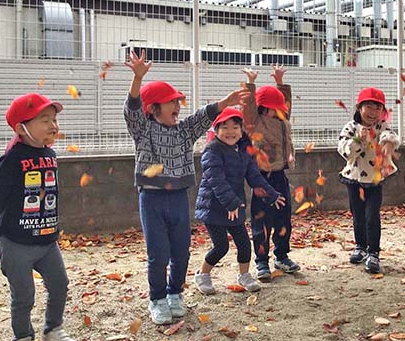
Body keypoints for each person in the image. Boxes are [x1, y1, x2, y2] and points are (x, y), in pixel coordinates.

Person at [124, 48, 249, 325]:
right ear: (153, 108)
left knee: (181, 250)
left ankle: (174, 294)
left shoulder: (184, 131)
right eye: (171, 102)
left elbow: (203, 116)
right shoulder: (143, 130)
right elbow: (131, 112)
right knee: (158, 253)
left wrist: (225, 102)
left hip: (179, 197)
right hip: (152, 199)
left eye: (178, 101)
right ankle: (157, 299)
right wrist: (138, 79)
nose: (178, 106)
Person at [0, 94, 78, 341]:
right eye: (45, 120)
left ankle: (53, 331)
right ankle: (22, 339)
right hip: (15, 243)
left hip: (47, 241)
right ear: (21, 128)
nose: (53, 125)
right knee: (23, 295)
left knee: (60, 284)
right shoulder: (13, 160)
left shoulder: (50, 154)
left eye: (54, 119)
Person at [193, 107, 286, 294]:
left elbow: (254, 176)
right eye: (224, 127)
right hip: (213, 207)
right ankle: (202, 275)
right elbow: (216, 180)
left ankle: (244, 275)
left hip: (235, 205)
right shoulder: (212, 151)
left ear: (241, 129)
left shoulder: (244, 150)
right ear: (216, 130)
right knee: (221, 247)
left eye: (235, 127)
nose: (230, 132)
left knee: (244, 244)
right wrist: (231, 203)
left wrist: (271, 194)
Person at [241, 66, 299, 281]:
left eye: (279, 109)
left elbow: (286, 103)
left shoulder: (282, 120)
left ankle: (282, 256)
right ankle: (262, 261)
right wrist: (250, 84)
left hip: (280, 175)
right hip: (261, 177)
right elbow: (247, 107)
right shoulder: (254, 123)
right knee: (262, 220)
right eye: (273, 109)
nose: (278, 112)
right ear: (262, 108)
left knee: (283, 218)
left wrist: (280, 83)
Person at [338, 87, 399, 274]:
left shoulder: (381, 127)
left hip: (374, 180)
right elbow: (345, 151)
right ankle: (360, 246)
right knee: (358, 215)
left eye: (378, 108)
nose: (373, 112)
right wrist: (359, 140)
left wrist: (388, 142)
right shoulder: (351, 127)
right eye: (369, 107)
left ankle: (373, 252)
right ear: (359, 108)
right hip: (354, 179)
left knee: (372, 216)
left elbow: (391, 135)